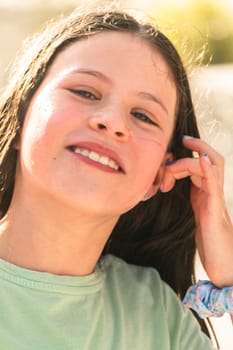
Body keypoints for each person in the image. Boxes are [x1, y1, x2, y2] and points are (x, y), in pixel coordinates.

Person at [0, 5, 232, 349]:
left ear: (159, 176)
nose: (112, 122)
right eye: (85, 92)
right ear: (19, 120)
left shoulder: (156, 313)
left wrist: (227, 272)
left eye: (143, 115)